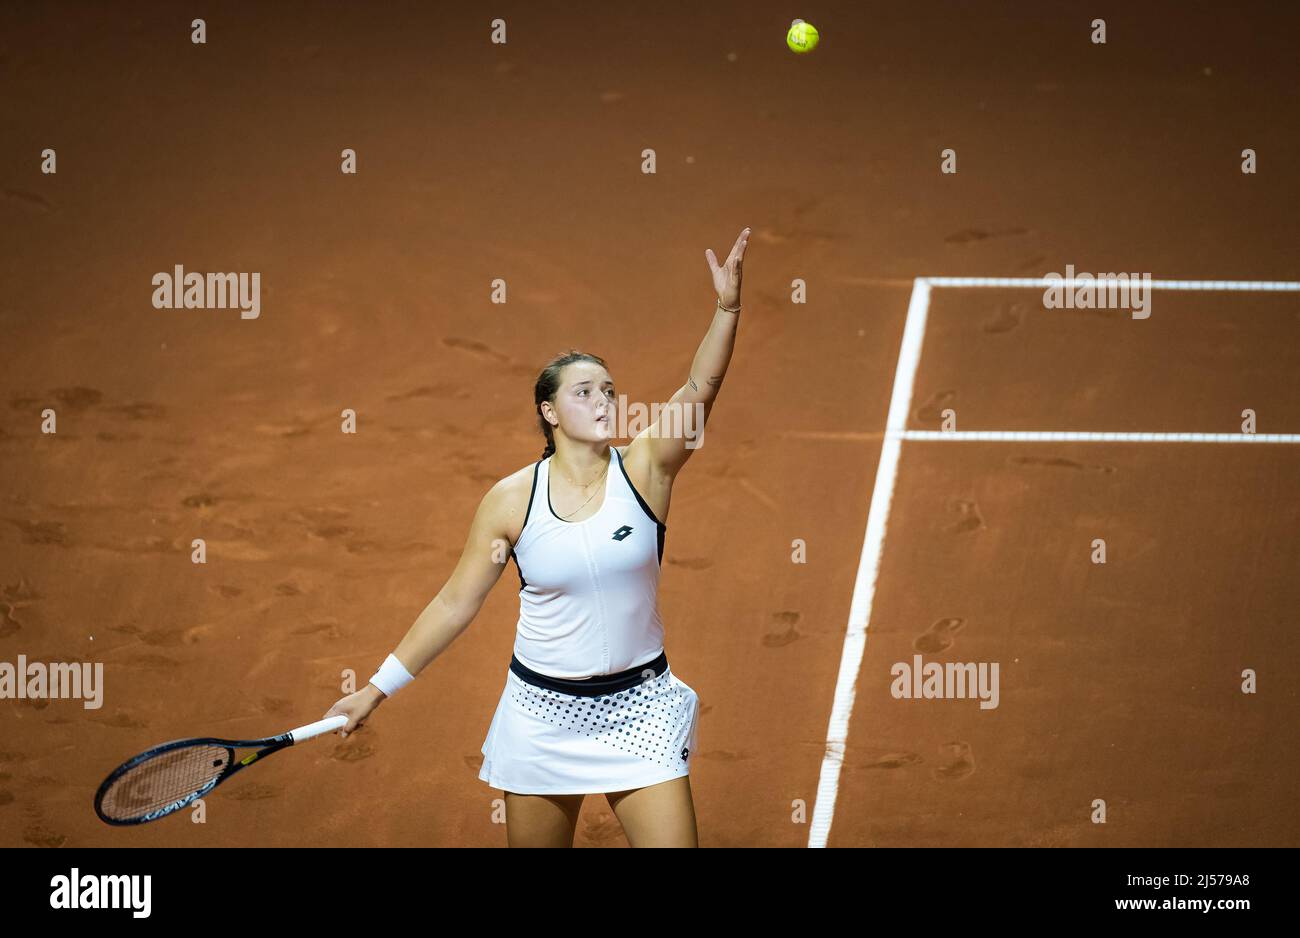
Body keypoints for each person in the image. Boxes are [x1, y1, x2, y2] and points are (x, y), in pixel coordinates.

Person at [324, 227, 751, 847]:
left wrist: (727, 308)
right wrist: (375, 689)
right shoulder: (511, 500)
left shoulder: (648, 468)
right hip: (543, 715)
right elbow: (454, 603)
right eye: (584, 392)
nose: (603, 400)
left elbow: (699, 390)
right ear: (550, 413)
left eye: (608, 389)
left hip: (641, 709)